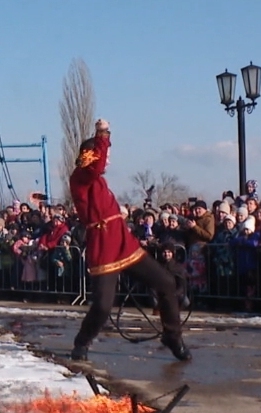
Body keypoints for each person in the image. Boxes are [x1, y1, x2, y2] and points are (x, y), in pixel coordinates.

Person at [69, 119, 190, 362]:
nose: (108, 159)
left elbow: (100, 169)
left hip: (125, 243)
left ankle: (172, 336)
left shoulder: (98, 181)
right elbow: (97, 167)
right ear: (92, 155)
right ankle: (82, 342)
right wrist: (102, 134)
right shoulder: (81, 177)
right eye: (105, 153)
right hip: (103, 247)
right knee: (103, 306)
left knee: (166, 283)